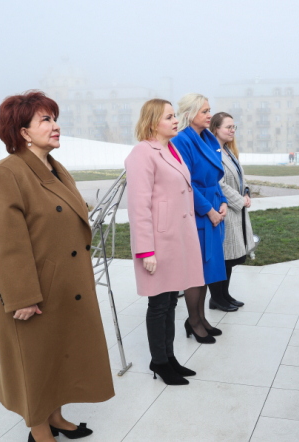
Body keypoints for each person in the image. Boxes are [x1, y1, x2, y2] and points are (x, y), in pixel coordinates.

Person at [0, 91, 114, 442]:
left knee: (59, 356)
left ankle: (56, 416)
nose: (56, 126)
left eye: (54, 118)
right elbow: (5, 245)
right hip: (33, 288)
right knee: (35, 362)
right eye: (46, 120)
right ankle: (39, 428)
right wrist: (22, 296)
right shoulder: (6, 174)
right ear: (23, 132)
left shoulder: (55, 168)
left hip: (65, 284)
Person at [124, 99, 204, 385]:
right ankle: (159, 361)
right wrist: (146, 249)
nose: (176, 121)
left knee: (171, 300)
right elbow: (138, 206)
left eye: (175, 116)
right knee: (158, 304)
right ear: (152, 121)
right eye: (169, 117)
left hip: (176, 239)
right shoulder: (142, 154)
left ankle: (168, 357)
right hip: (158, 242)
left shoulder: (170, 149)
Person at [171, 93, 227, 343]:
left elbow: (214, 177)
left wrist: (223, 201)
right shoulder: (182, 141)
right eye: (204, 111)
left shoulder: (207, 138)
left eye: (209, 110)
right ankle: (193, 321)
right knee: (196, 271)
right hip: (198, 212)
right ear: (190, 113)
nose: (209, 115)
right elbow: (186, 182)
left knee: (206, 271)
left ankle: (201, 318)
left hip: (213, 206)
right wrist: (209, 210)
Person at [209, 112, 255, 311]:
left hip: (236, 210)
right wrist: (240, 201)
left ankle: (225, 295)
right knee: (223, 257)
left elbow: (239, 178)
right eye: (228, 127)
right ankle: (216, 298)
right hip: (225, 209)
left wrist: (246, 193)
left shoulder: (228, 151)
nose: (232, 130)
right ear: (215, 129)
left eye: (234, 127)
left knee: (231, 258)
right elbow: (218, 183)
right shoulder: (212, 152)